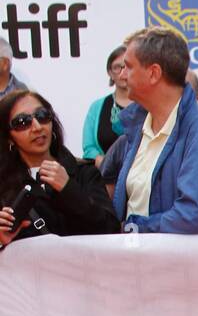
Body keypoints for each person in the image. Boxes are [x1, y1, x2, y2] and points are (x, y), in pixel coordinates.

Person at [100, 26, 198, 233]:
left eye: (128, 67)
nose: (122, 75)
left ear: (153, 73)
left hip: (178, 264)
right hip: (133, 260)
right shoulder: (135, 128)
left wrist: (134, 228)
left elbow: (195, 216)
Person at [0, 89, 119, 245]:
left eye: (42, 116)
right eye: (22, 122)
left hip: (83, 267)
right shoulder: (4, 186)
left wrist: (68, 189)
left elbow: (111, 230)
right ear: (9, 138)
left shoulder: (84, 172)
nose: (37, 127)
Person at [81, 46, 133, 166]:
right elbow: (89, 147)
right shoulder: (97, 107)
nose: (123, 72)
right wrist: (103, 162)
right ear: (110, 72)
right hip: (106, 177)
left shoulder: (147, 104)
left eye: (128, 66)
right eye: (117, 67)